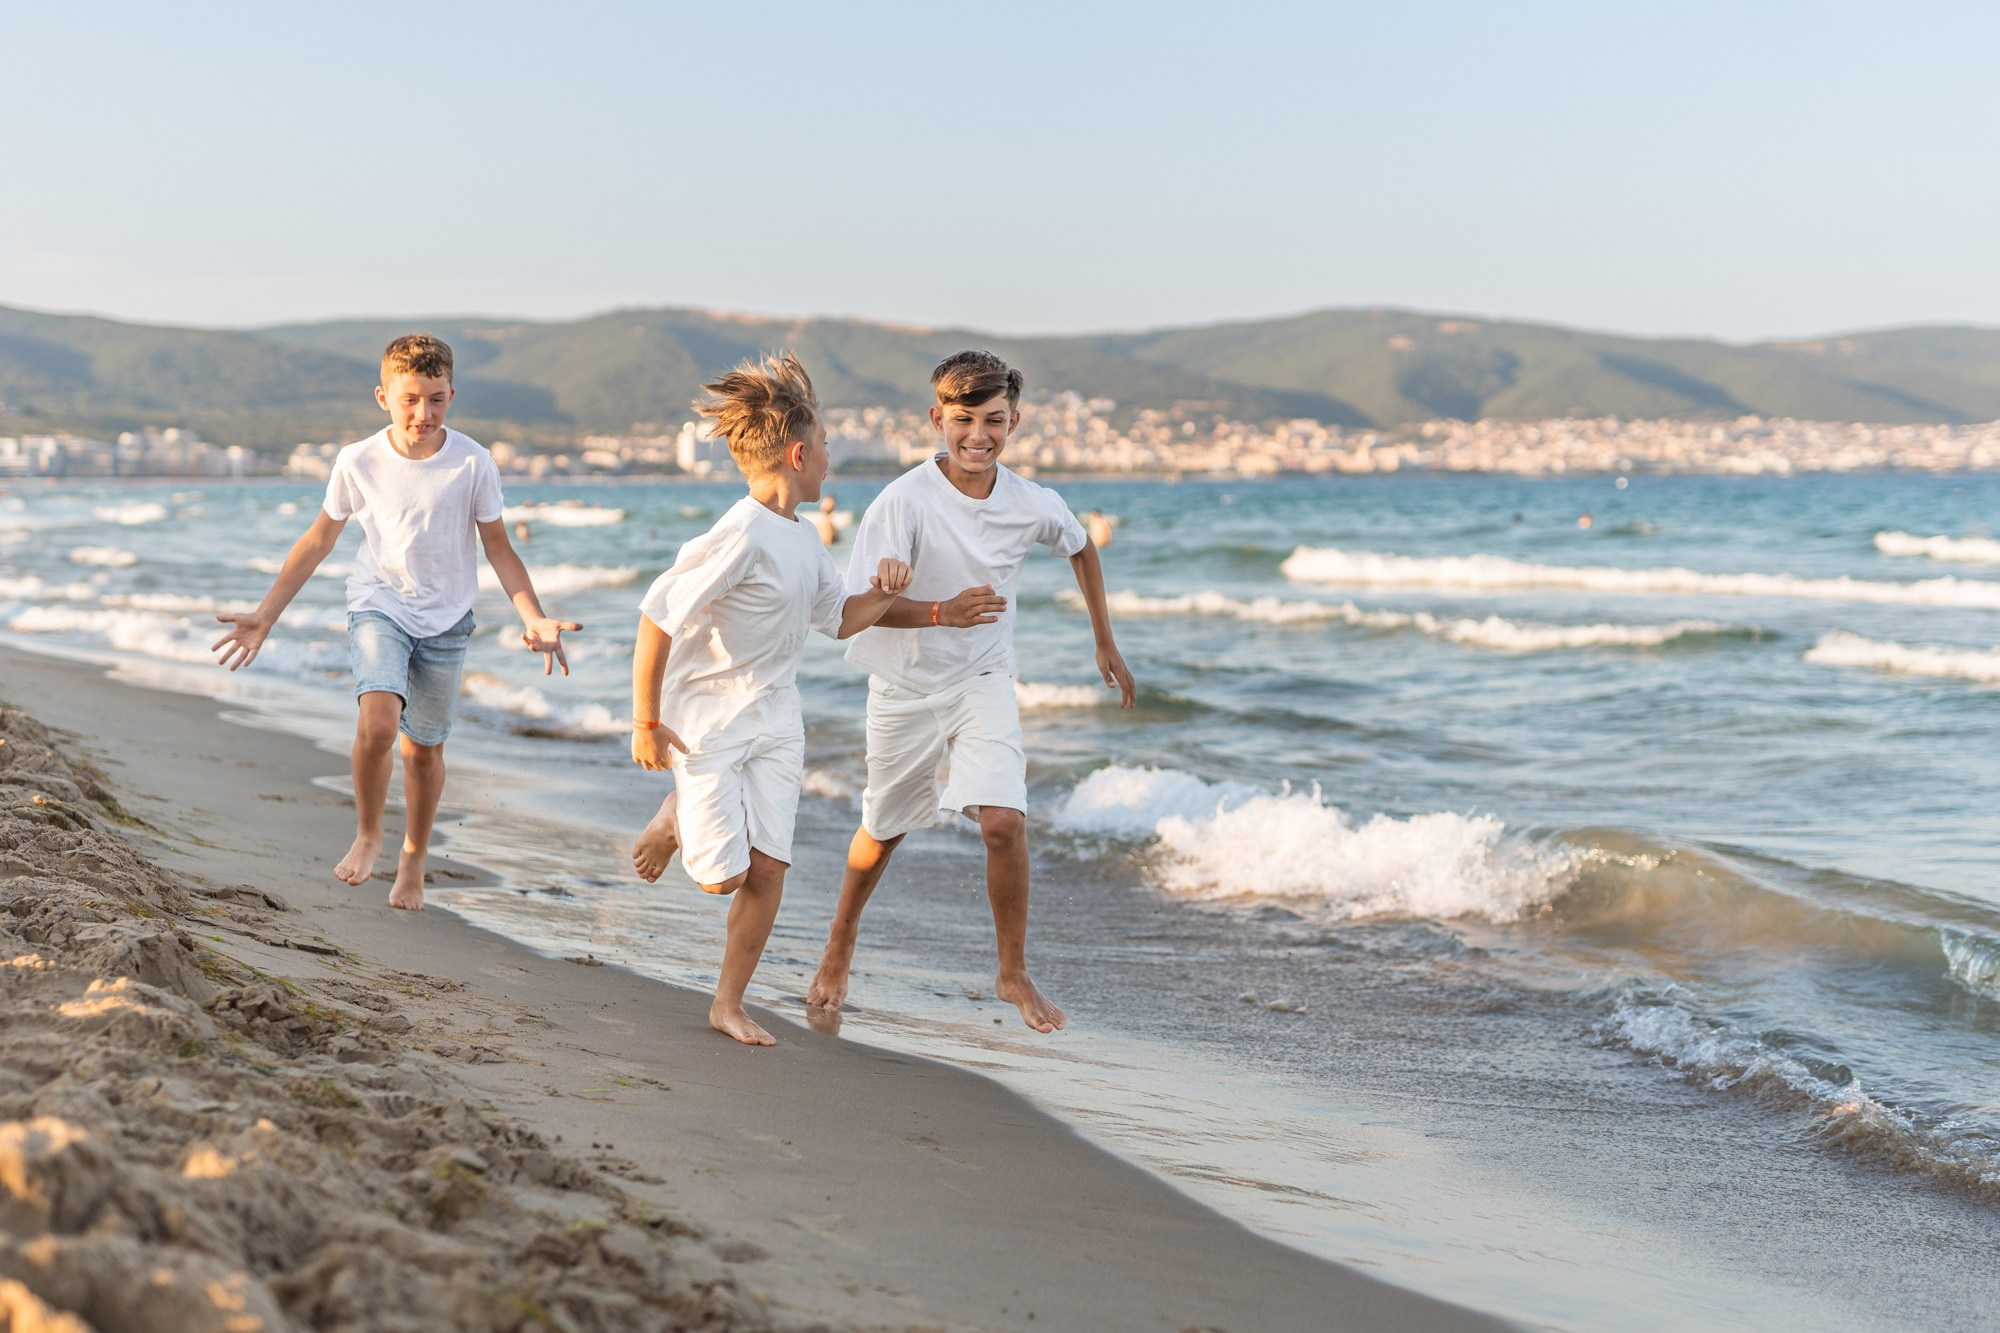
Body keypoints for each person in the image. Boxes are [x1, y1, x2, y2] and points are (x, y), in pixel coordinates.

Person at [807, 350, 1136, 1034]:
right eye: (963, 421)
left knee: (1003, 821)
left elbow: (1080, 546)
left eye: (993, 421)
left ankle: (1011, 970)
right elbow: (851, 615)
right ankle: (840, 939)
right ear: (938, 419)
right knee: (883, 828)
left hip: (983, 677)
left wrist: (1104, 638)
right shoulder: (902, 502)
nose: (978, 437)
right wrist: (931, 608)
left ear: (1014, 422)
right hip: (904, 685)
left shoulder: (1029, 502)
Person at [213, 334, 578, 911]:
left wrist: (533, 616)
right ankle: (368, 832)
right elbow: (317, 541)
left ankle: (413, 856)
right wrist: (265, 615)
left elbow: (500, 549)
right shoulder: (358, 460)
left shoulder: (473, 463)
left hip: (447, 621)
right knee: (379, 723)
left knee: (424, 751)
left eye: (436, 400)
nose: (423, 414)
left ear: (452, 395)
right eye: (410, 399)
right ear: (383, 397)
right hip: (378, 605)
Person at [628, 351, 916, 1046]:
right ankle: (675, 820)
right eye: (823, 448)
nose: (828, 461)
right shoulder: (739, 535)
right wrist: (646, 720)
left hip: (777, 719)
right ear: (796, 454)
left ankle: (728, 1002)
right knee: (721, 879)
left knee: (770, 866)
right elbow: (657, 614)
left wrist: (887, 592)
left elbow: (836, 618)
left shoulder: (804, 539)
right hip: (706, 724)